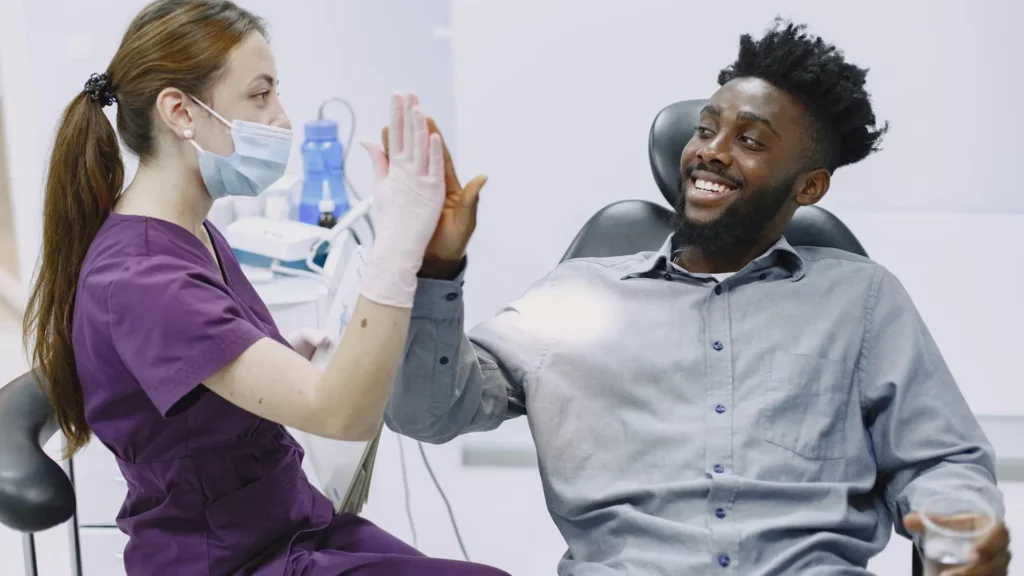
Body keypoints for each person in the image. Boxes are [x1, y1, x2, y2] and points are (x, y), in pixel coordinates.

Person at [384, 19, 1011, 575]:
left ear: (810, 186)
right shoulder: (578, 294)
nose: (712, 149)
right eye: (707, 130)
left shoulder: (862, 301)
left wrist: (960, 526)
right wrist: (436, 264)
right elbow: (426, 413)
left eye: (751, 140)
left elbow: (942, 460)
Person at [21, 1, 510, 575]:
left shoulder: (189, 230)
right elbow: (340, 414)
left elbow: (197, 380)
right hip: (224, 559)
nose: (282, 119)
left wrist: (273, 366)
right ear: (180, 111)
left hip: (288, 523)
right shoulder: (142, 277)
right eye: (260, 96)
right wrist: (399, 246)